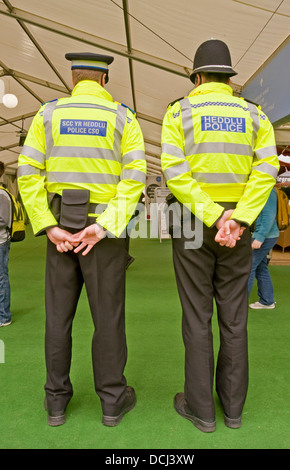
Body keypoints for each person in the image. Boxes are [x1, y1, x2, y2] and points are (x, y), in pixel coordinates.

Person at [18, 52, 146, 426]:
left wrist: (48, 225)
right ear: (104, 81)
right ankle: (111, 402)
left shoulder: (48, 114)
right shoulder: (124, 117)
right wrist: (104, 225)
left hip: (58, 226)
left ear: (73, 80)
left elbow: (28, 173)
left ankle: (56, 402)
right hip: (102, 232)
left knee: (58, 318)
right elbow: (134, 177)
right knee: (108, 318)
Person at [161, 39, 279, 432]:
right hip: (238, 231)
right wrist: (238, 219)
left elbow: (175, 173)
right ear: (229, 78)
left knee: (197, 317)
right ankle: (232, 411)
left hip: (194, 226)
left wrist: (213, 216)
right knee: (234, 318)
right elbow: (267, 170)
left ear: (196, 76)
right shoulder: (254, 114)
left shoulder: (180, 111)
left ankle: (201, 410)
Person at [248, 187, 279, 309]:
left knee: (249, 267)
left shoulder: (268, 189)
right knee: (261, 268)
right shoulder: (260, 188)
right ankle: (267, 301)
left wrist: (260, 237)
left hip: (264, 236)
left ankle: (239, 305)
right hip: (263, 235)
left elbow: (269, 215)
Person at [0, 162, 12, 327]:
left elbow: (3, 219)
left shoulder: (2, 195)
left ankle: (4, 316)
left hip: (1, 241)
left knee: (1, 278)